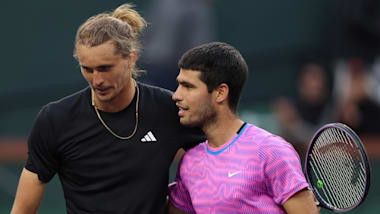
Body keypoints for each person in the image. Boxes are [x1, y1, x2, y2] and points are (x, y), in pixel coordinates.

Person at [11, 3, 204, 214]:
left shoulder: (169, 108)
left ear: (130, 59)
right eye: (88, 69)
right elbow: (22, 209)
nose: (97, 80)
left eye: (105, 68)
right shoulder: (55, 119)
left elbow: (221, 156)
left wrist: (181, 203)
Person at [168, 42, 320, 213]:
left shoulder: (270, 151)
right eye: (179, 85)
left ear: (220, 93)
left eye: (188, 86)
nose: (177, 95)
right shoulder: (189, 163)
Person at [272, 63, 333, 158]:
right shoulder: (290, 110)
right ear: (301, 86)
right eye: (309, 85)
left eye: (317, 87)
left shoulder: (333, 110)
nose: (313, 89)